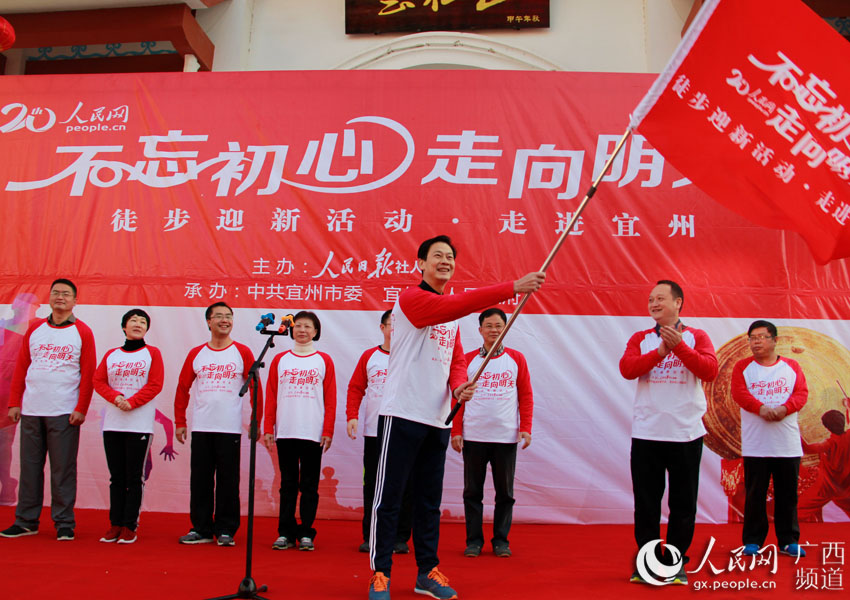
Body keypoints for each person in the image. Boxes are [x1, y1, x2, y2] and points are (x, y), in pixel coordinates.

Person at [368, 235, 545, 600]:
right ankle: (380, 573)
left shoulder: (450, 313)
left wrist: (460, 386)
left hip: (438, 420)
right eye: (437, 256)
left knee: (429, 501)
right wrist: (512, 288)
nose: (445, 261)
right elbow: (456, 307)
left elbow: (457, 359)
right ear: (421, 263)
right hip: (401, 414)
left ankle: (426, 573)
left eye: (450, 257)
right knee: (390, 497)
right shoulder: (411, 299)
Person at [619, 279, 718, 585]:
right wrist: (661, 351)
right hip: (648, 433)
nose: (654, 303)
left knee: (683, 503)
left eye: (661, 298)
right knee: (647, 503)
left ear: (678, 302)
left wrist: (679, 347)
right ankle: (647, 562)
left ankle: (674, 562)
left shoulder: (697, 336)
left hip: (685, 434)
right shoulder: (640, 338)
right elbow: (628, 369)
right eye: (651, 299)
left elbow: (709, 370)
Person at [0, 279, 96, 541]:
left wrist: (81, 408)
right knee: (29, 467)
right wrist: (14, 402)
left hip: (64, 411)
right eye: (56, 293)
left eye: (66, 294)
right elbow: (21, 366)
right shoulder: (35, 329)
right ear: (50, 298)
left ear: (75, 301)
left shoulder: (83, 332)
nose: (60, 297)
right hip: (31, 409)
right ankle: (26, 520)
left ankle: (64, 522)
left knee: (62, 469)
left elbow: (88, 374)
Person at [174, 302, 261, 547]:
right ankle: (200, 529)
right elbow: (183, 389)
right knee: (200, 480)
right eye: (219, 316)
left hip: (229, 428)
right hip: (202, 426)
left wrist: (256, 421)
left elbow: (256, 388)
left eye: (229, 316)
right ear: (209, 322)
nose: (225, 320)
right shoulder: (196, 353)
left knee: (228, 481)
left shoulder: (242, 352)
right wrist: (180, 421)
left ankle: (226, 529)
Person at [450, 307, 533, 559]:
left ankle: (501, 541)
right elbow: (458, 399)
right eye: (489, 326)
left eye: (499, 326)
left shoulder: (516, 359)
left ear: (505, 328)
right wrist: (456, 430)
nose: (494, 330)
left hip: (505, 438)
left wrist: (525, 428)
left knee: (505, 493)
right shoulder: (468, 359)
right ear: (480, 330)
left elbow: (525, 395)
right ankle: (474, 541)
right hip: (474, 436)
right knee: (472, 492)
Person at [731, 320, 808, 558]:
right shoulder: (742, 367)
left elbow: (802, 393)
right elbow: (739, 392)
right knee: (755, 494)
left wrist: (785, 408)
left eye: (762, 337)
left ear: (775, 340)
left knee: (787, 495)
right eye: (752, 338)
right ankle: (753, 540)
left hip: (787, 444)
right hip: (757, 445)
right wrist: (760, 408)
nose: (756, 342)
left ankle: (788, 540)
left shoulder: (791, 366)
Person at [263, 311, 335, 551]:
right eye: (298, 326)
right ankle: (285, 532)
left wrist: (328, 430)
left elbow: (331, 398)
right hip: (285, 431)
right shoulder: (280, 359)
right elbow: (271, 395)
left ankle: (306, 532)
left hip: (312, 432)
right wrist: (268, 427)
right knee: (288, 484)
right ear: (291, 330)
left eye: (308, 326)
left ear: (316, 332)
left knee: (310, 486)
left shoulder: (323, 360)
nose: (302, 330)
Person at [93, 309, 164, 544]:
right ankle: (115, 524)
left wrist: (132, 402)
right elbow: (98, 380)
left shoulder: (152, 353)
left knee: (135, 478)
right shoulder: (112, 355)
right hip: (113, 423)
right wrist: (116, 398)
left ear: (147, 329)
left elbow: (155, 384)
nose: (138, 324)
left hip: (139, 425)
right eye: (133, 320)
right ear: (124, 327)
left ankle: (130, 525)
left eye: (142, 321)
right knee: (117, 477)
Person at [347, 309, 413, 555]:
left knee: (404, 486)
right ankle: (371, 535)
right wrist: (352, 416)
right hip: (374, 433)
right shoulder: (370, 356)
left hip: (404, 433)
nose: (394, 330)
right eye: (390, 325)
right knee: (373, 486)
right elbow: (356, 388)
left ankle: (400, 537)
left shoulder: (411, 357)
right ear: (382, 328)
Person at [0, 293, 40, 505]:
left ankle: (7, 487)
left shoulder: (36, 330)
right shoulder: (2, 326)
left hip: (15, 399)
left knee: (4, 445)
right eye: (21, 305)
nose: (25, 309)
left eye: (31, 306)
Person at [799, 406, 850, 520]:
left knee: (802, 509)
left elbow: (808, 449)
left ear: (827, 427)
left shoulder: (830, 443)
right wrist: (848, 408)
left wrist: (796, 431)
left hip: (829, 486)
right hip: (846, 485)